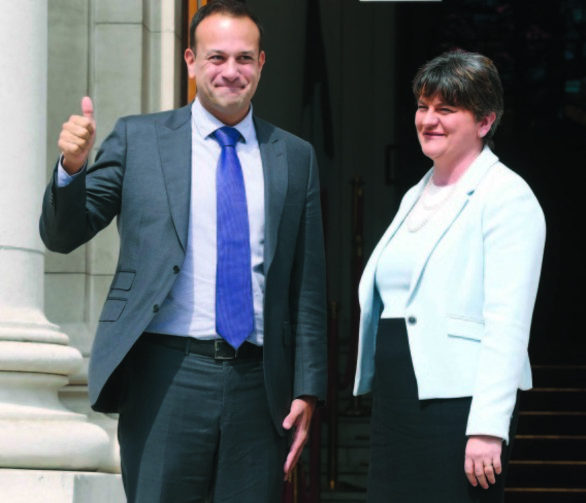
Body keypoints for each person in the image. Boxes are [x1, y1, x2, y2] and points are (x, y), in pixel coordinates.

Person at [39, 1, 327, 501]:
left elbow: (307, 284)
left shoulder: (294, 156)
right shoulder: (138, 138)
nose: (230, 71)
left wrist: (308, 387)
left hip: (259, 386)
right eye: (216, 57)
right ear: (191, 62)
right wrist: (71, 167)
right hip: (165, 377)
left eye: (244, 58)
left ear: (261, 65)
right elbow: (64, 235)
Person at [353, 50, 545, 502]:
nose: (428, 119)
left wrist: (487, 426)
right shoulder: (416, 194)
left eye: (446, 109)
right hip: (399, 399)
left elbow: (508, 322)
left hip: (459, 408)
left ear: (484, 122)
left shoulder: (507, 196)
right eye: (423, 106)